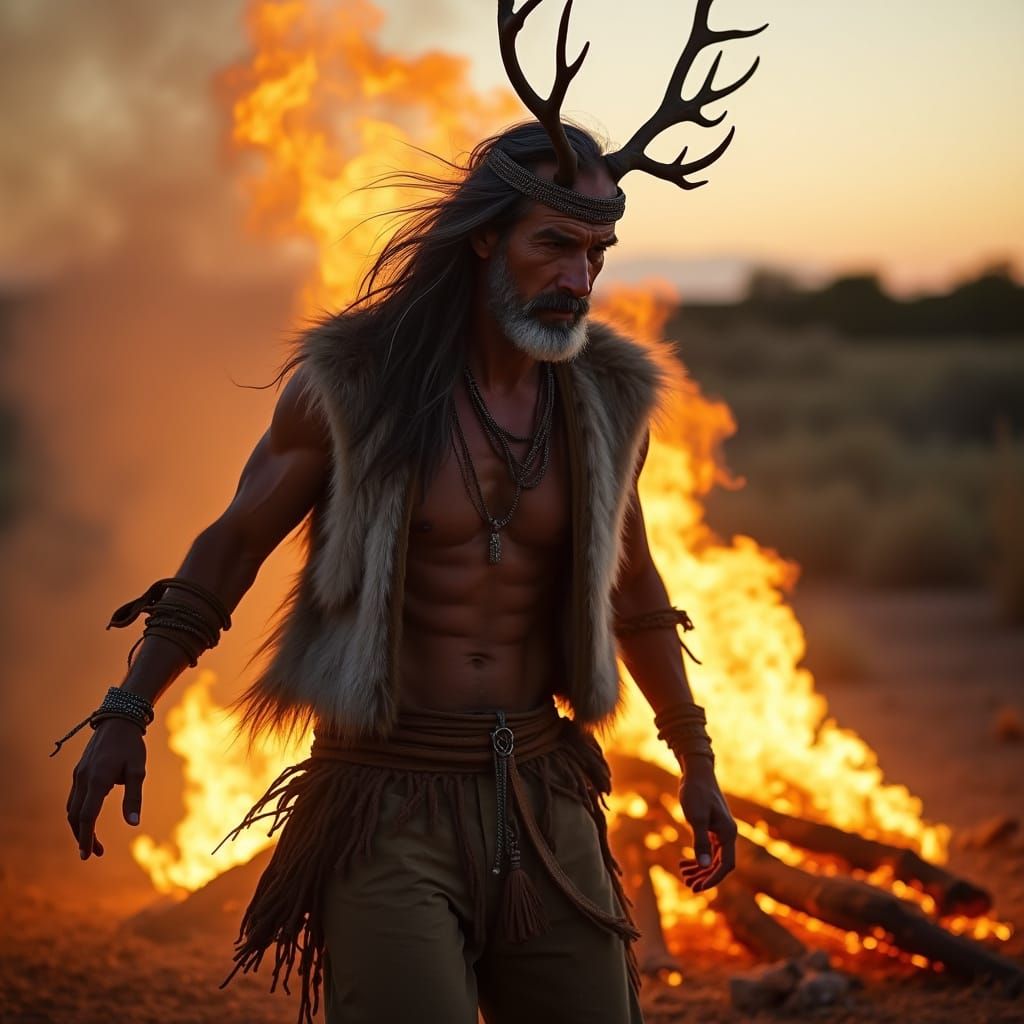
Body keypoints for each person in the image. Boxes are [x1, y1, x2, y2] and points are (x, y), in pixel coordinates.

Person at [62, 4, 765, 1021]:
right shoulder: (354, 385)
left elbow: (632, 587)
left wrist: (695, 758)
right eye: (555, 246)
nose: (579, 279)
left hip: (545, 795)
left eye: (597, 254)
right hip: (384, 800)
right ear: (484, 241)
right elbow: (234, 542)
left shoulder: (608, 403)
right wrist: (130, 708)